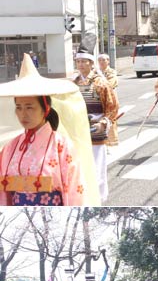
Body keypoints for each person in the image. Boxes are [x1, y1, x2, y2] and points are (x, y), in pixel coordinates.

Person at [0, 53, 93, 206]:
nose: (23, 114)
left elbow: (75, 190)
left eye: (30, 107)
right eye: (19, 108)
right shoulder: (11, 146)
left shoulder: (62, 145)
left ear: (46, 109)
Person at [73, 34, 119, 203]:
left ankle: (99, 196)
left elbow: (112, 106)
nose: (80, 65)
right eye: (78, 62)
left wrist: (104, 122)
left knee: (97, 164)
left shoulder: (101, 83)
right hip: (79, 130)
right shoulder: (74, 83)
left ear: (91, 63)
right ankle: (84, 194)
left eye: (84, 61)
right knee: (81, 164)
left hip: (96, 128)